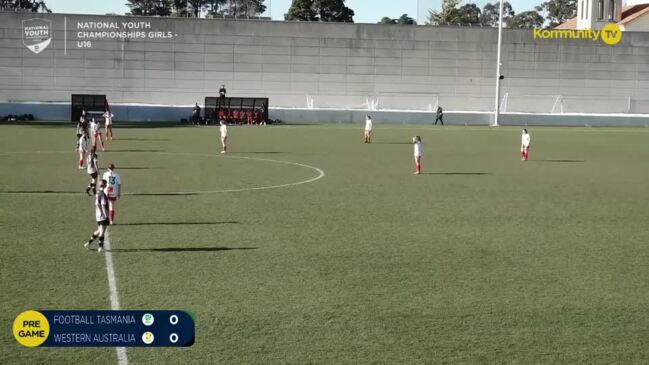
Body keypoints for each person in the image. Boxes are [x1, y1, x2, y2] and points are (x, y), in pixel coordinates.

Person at [84, 179, 109, 253]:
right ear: (105, 185)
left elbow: (97, 204)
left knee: (99, 230)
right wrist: (105, 215)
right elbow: (103, 205)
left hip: (97, 214)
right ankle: (100, 247)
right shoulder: (102, 194)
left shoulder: (98, 193)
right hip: (102, 215)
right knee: (102, 231)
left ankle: (88, 243)